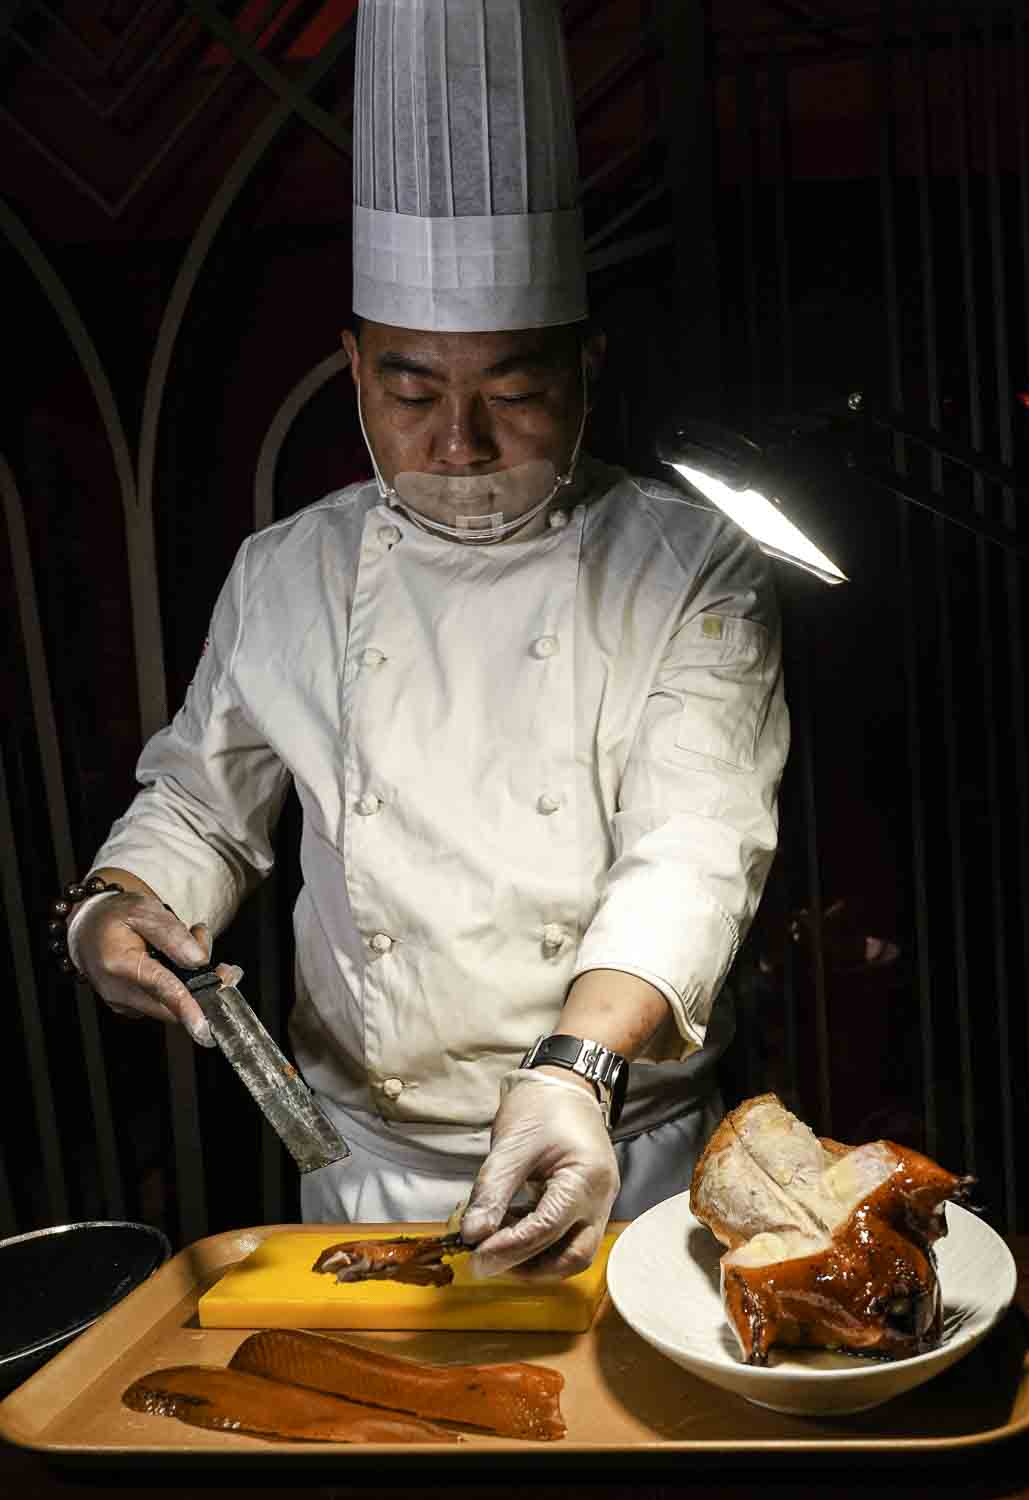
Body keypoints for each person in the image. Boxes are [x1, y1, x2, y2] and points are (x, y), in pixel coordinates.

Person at [59, 0, 789, 1281]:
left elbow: (694, 847)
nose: (459, 443)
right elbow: (200, 805)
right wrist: (118, 909)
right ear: (351, 367)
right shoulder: (287, 571)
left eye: (512, 391)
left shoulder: (691, 565)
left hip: (621, 1141)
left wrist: (571, 1075)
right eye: (411, 392)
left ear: (585, 367)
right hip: (361, 1166)